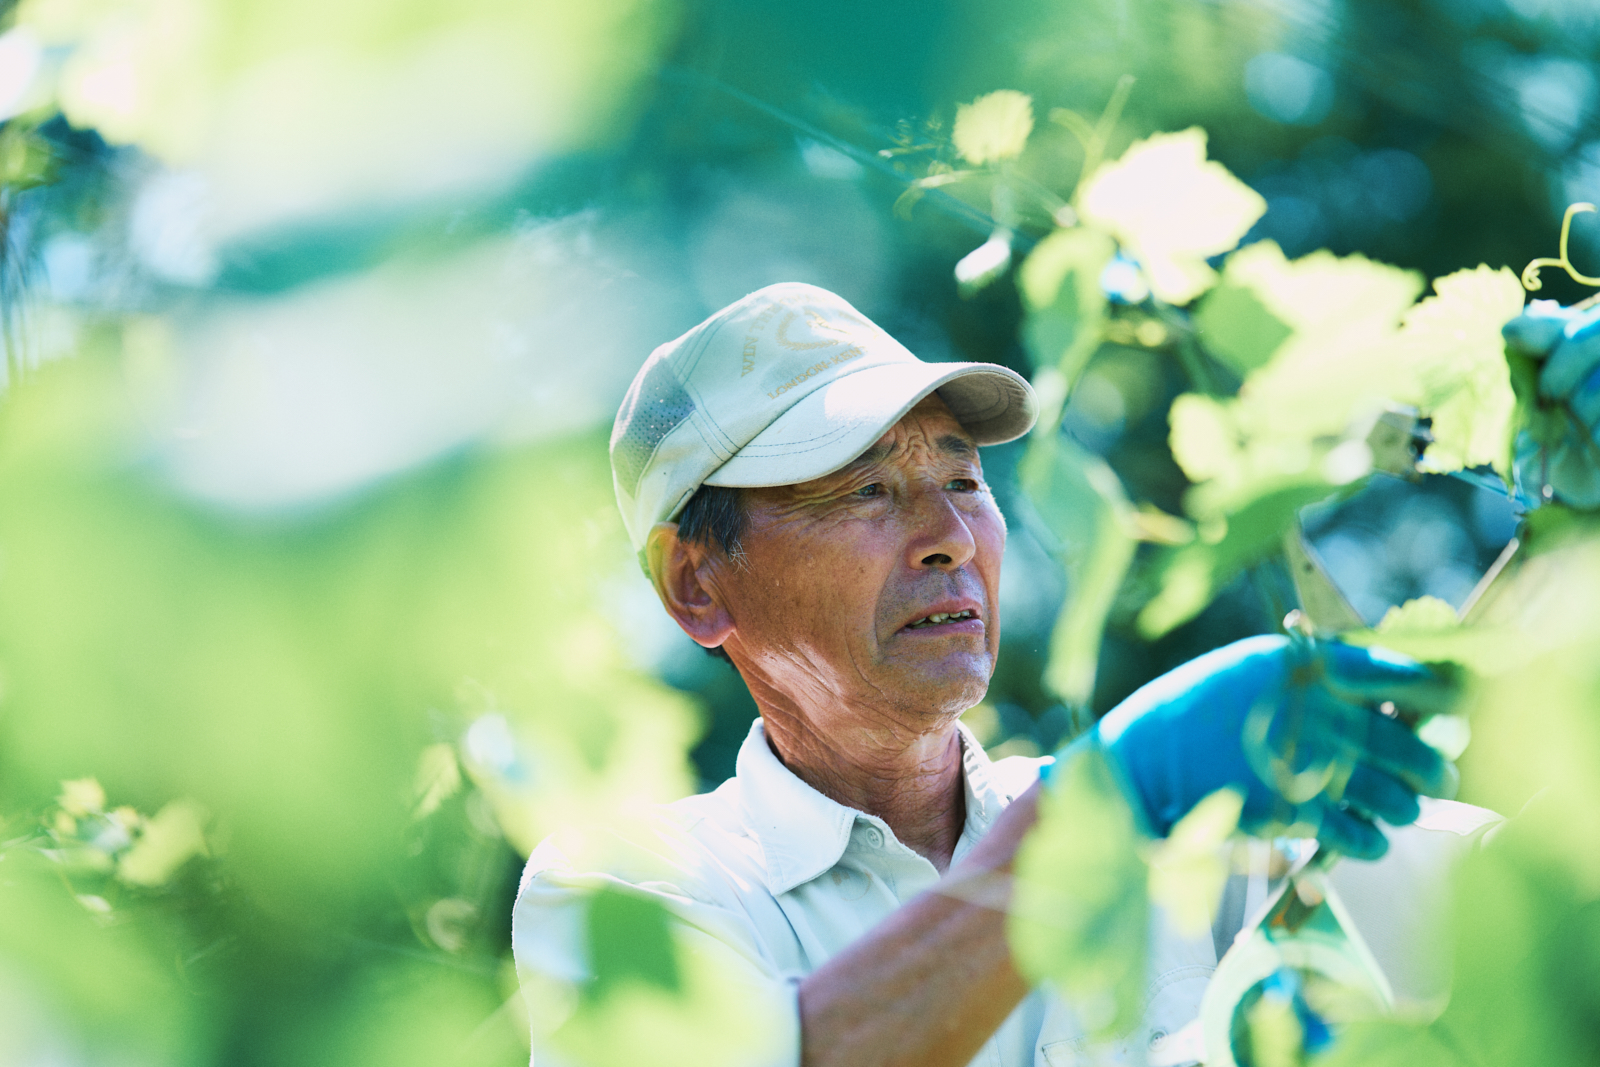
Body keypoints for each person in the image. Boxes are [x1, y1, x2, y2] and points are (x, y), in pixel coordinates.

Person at [511, 283, 1486, 1067]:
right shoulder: (624, 894)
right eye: (865, 489)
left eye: (963, 480)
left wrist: (1556, 513)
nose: (948, 535)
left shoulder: (1191, 843)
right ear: (696, 584)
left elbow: (1507, 886)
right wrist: (1099, 810)